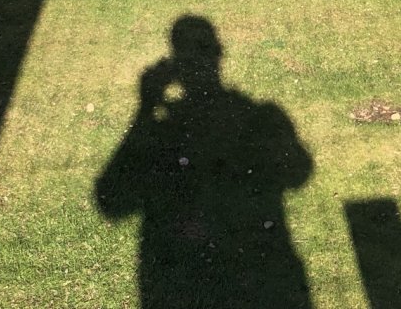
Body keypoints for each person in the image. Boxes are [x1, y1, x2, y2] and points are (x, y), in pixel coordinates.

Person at [96, 16, 314, 308]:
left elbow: (112, 199)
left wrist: (146, 109)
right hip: (246, 272)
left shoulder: (165, 129)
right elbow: (298, 171)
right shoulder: (255, 116)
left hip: (183, 278)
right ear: (219, 52)